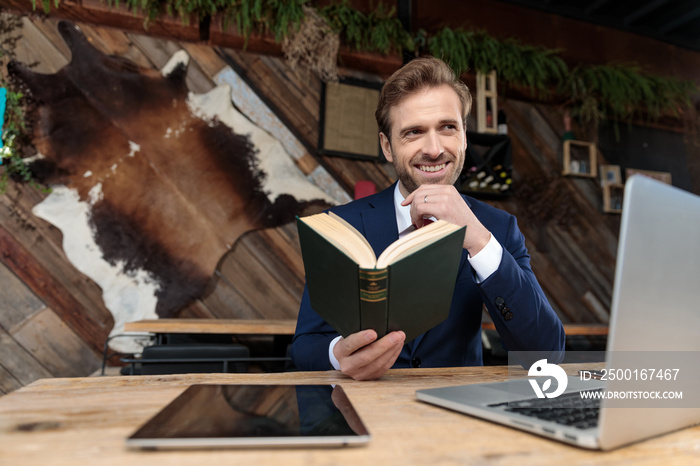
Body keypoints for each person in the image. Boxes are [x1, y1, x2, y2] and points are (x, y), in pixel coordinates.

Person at [291, 56, 565, 380]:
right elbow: (303, 348)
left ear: (464, 136)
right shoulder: (340, 227)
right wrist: (337, 356)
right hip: (366, 419)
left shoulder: (498, 229)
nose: (434, 149)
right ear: (388, 146)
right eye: (414, 132)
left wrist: (477, 239)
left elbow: (546, 352)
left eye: (448, 127)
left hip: (457, 420)